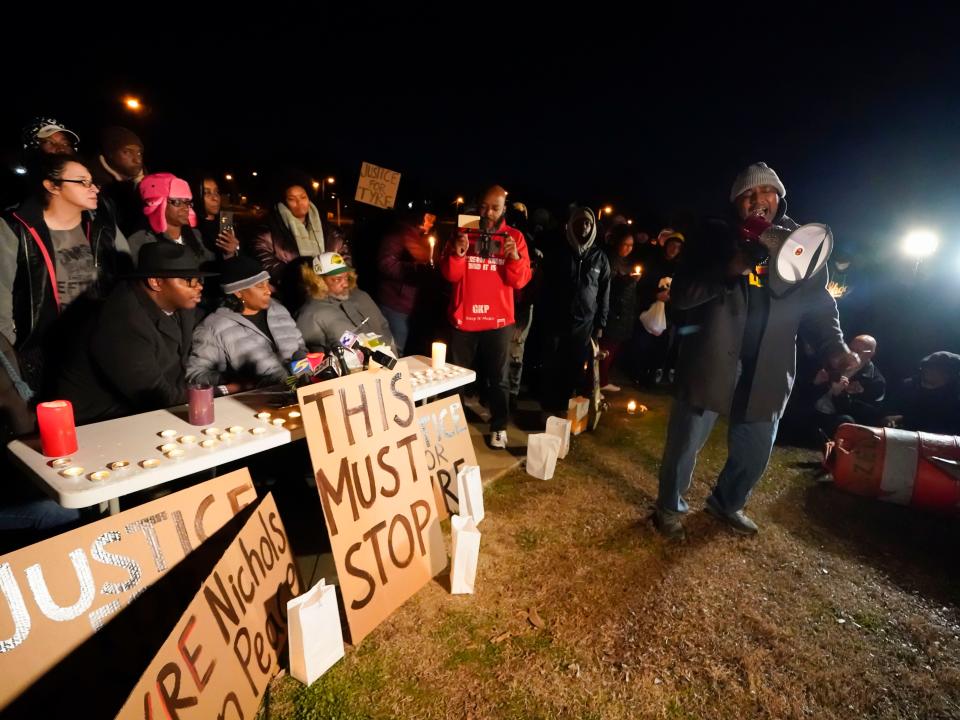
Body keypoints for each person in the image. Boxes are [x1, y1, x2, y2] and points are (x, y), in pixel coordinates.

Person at [653, 162, 858, 539]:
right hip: (712, 359)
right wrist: (732, 266)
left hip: (770, 366)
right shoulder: (713, 236)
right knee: (685, 444)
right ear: (736, 203)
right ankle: (669, 507)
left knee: (755, 449)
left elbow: (819, 308)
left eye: (767, 192)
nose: (758, 199)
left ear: (779, 198)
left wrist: (836, 348)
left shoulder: (802, 244)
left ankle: (726, 503)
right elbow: (683, 296)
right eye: (748, 194)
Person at [0, 154, 131, 393]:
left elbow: (128, 281)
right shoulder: (17, 229)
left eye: (92, 182)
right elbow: (2, 296)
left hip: (100, 344)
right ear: (52, 185)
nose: (93, 189)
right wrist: (15, 353)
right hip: (43, 353)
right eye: (82, 181)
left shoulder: (104, 228)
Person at [58, 243, 213, 422]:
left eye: (199, 280)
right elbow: (156, 397)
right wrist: (223, 390)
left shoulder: (182, 304)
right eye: (189, 281)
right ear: (156, 282)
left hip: (149, 409)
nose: (199, 287)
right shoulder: (121, 321)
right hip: (101, 422)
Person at [440, 185, 532, 448]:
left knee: (498, 377)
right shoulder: (463, 231)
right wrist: (458, 253)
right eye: (484, 206)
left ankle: (499, 425)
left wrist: (514, 257)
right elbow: (449, 275)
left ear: (505, 208)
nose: (488, 212)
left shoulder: (514, 237)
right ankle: (452, 426)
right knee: (456, 375)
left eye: (495, 207)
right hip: (464, 318)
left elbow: (520, 281)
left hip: (499, 320)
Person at [187, 256, 305, 390]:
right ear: (238, 292)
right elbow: (195, 374)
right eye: (260, 286)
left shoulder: (278, 309)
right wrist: (233, 380)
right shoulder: (214, 327)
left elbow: (300, 347)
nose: (268, 291)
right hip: (260, 401)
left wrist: (303, 365)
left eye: (267, 283)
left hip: (302, 391)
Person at [538, 206, 610, 415]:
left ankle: (564, 408)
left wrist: (600, 325)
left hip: (583, 325)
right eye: (580, 222)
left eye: (588, 223)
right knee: (552, 366)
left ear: (593, 226)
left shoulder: (600, 258)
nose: (584, 227)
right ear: (571, 225)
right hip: (556, 321)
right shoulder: (558, 252)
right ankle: (547, 407)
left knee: (575, 367)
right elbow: (546, 287)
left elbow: (604, 293)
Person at [297, 251, 396, 356]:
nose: (345, 283)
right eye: (337, 279)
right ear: (319, 281)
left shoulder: (361, 296)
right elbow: (313, 356)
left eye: (346, 277)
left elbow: (384, 326)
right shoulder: (311, 314)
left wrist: (395, 354)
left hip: (391, 364)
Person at [128, 173, 216, 268]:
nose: (185, 207)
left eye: (187, 202)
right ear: (159, 204)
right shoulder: (140, 240)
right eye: (177, 202)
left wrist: (228, 254)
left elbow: (209, 265)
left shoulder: (194, 235)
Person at [376, 213, 434, 353]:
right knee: (394, 350)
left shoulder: (421, 237)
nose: (431, 223)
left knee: (406, 348)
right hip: (395, 304)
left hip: (412, 306)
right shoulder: (399, 234)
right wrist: (413, 268)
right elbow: (385, 263)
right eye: (429, 219)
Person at [253, 179, 326, 288]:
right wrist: (302, 279)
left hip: (328, 289)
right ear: (283, 202)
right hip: (293, 291)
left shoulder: (328, 229)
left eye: (303, 197)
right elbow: (266, 263)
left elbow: (342, 257)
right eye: (292, 199)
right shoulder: (268, 230)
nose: (299, 202)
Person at [813, 334, 886, 437]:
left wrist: (839, 394)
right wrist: (816, 383)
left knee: (845, 421)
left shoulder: (875, 381)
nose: (852, 354)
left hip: (835, 419)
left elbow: (863, 417)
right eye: (851, 349)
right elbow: (810, 392)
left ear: (871, 354)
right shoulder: (835, 363)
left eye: (858, 352)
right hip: (815, 411)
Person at [883, 351, 960, 435]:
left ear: (949, 374)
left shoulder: (955, 394)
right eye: (927, 366)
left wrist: (906, 419)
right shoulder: (908, 386)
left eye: (936, 368)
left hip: (941, 441)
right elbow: (888, 413)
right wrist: (889, 420)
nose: (928, 370)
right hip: (904, 437)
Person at [600, 225, 638, 391]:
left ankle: (603, 379)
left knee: (613, 349)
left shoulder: (625, 261)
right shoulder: (608, 259)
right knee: (604, 349)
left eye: (631, 245)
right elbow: (609, 286)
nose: (629, 248)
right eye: (625, 244)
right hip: (611, 312)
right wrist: (628, 281)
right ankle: (596, 382)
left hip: (622, 313)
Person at [92, 126, 146, 236]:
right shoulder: (91, 183)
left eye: (139, 153)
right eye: (127, 152)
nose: (137, 159)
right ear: (110, 154)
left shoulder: (147, 180)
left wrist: (139, 185)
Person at [193, 176, 241, 261]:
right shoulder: (191, 227)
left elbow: (240, 254)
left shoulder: (226, 222)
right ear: (196, 196)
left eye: (216, 192)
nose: (215, 198)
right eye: (207, 193)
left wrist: (234, 251)